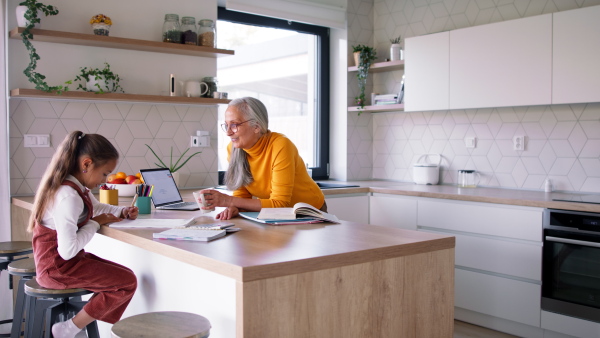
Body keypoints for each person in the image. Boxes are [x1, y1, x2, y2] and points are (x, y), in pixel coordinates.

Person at [27, 131, 138, 338]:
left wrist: (120, 212)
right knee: (126, 282)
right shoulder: (68, 196)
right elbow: (67, 251)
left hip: (66, 264)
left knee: (124, 278)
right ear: (86, 164)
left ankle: (75, 326)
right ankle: (69, 328)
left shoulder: (75, 188)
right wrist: (96, 224)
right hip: (57, 268)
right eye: (105, 173)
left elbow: (94, 208)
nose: (106, 180)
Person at [198, 97, 325, 220]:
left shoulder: (280, 146)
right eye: (226, 125)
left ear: (256, 127)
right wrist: (235, 207)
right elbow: (242, 196)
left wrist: (228, 200)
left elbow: (279, 204)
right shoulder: (233, 149)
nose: (228, 132)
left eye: (234, 125)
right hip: (278, 215)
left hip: (309, 211)